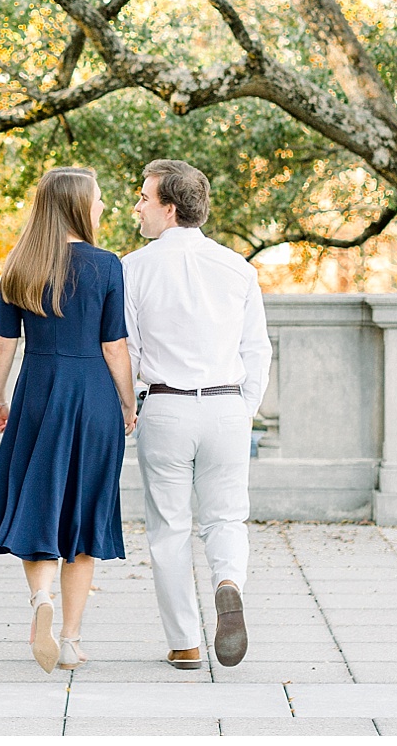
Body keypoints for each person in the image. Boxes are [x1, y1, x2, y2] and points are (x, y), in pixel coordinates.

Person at [0, 167, 137, 673]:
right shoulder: (106, 265)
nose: (102, 206)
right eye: (98, 198)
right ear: (77, 205)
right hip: (92, 395)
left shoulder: (20, 264)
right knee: (83, 517)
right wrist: (127, 402)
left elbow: (4, 342)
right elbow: (114, 345)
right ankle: (69, 640)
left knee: (38, 501)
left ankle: (40, 598)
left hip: (38, 392)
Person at [123, 159, 270, 669]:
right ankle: (228, 581)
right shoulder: (237, 267)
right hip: (227, 405)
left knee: (169, 528)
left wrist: (129, 405)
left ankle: (185, 643)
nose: (137, 207)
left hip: (166, 406)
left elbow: (128, 351)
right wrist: (244, 409)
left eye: (144, 198)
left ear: (168, 208)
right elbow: (257, 349)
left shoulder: (132, 268)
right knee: (226, 517)